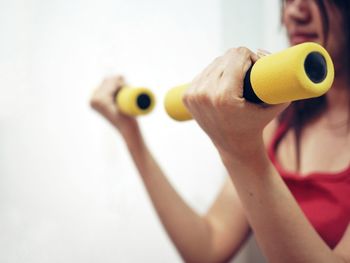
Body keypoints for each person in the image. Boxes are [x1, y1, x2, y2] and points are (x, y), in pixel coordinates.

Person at [90, 0, 350, 262]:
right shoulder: (282, 120)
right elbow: (208, 248)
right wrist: (129, 132)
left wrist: (242, 153)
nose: (295, 11)